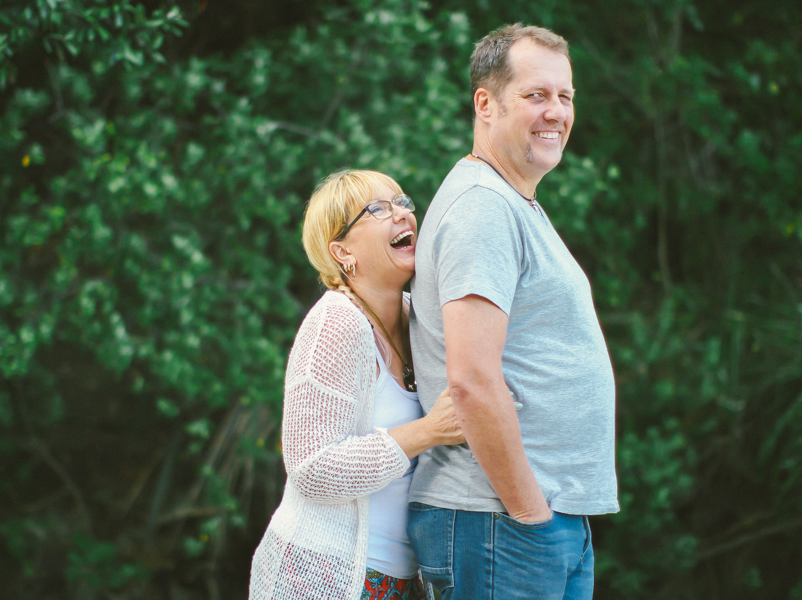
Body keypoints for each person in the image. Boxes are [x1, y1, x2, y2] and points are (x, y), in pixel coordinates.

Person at [407, 24, 619, 600]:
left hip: (535, 523)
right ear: (486, 103)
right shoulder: (483, 209)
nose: (556, 112)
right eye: (537, 95)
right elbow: (472, 377)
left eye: (565, 96)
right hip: (500, 521)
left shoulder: (514, 204)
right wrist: (530, 510)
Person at [249, 169, 464, 600]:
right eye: (379, 209)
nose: (402, 214)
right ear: (342, 251)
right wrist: (426, 431)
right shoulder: (337, 323)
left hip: (403, 581)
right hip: (324, 575)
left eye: (403, 202)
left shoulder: (417, 316)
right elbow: (311, 468)